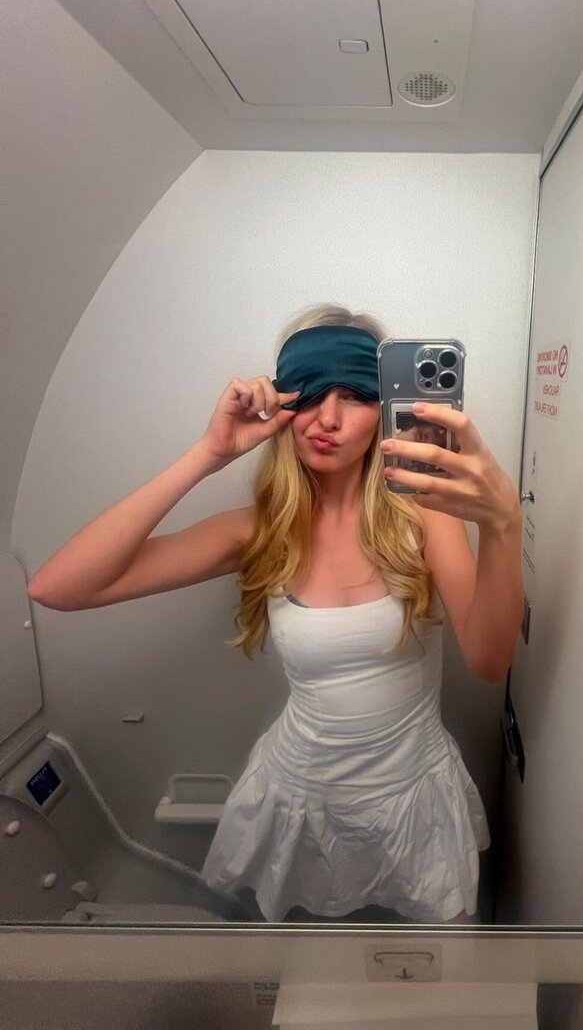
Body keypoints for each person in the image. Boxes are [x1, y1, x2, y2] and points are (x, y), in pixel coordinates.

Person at [26, 304, 524, 924]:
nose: (328, 418)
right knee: (301, 964)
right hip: (297, 802)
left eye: (354, 396)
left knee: (409, 966)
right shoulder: (259, 531)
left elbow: (489, 659)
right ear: (284, 403)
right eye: (310, 393)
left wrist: (503, 524)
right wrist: (208, 454)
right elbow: (59, 587)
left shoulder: (424, 516)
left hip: (412, 799)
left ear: (386, 408)